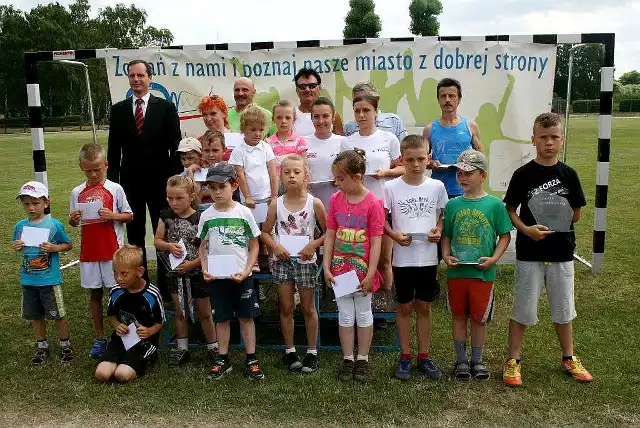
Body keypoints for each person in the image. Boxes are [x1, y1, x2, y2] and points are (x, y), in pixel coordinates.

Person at [503, 112, 592, 386]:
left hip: (561, 252)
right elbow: (510, 209)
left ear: (561, 140)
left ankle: (569, 357)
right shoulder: (523, 174)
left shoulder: (569, 175)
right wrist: (527, 229)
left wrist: (556, 214)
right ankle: (513, 360)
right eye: (543, 137)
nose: (549, 143)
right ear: (534, 140)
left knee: (564, 309)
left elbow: (576, 214)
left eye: (554, 137)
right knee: (523, 309)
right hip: (530, 253)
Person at [106, 59, 182, 294]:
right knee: (135, 235)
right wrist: (114, 184)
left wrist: (171, 181)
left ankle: (167, 285)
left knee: (163, 233)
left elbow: (175, 147)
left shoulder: (165, 108)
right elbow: (113, 150)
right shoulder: (118, 110)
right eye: (132, 76)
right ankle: (141, 284)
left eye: (140, 75)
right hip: (130, 184)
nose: (136, 80)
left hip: (160, 183)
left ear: (150, 78)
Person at [442, 150, 512, 381]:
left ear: (483, 176)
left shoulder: (494, 205)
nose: (462, 177)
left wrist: (494, 259)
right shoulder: (452, 205)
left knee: (479, 318)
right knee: (459, 316)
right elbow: (447, 236)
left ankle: (477, 360)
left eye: (469, 173)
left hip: (483, 274)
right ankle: (461, 360)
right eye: (460, 173)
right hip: (457, 272)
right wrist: (445, 255)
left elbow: (504, 235)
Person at [383, 135, 448, 380]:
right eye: (410, 159)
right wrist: (394, 235)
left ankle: (424, 355)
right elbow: (383, 221)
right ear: (401, 159)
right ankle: (405, 355)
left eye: (421, 159)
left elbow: (442, 215)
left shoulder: (437, 187)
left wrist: (439, 230)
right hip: (402, 259)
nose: (416, 164)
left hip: (428, 258)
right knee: (404, 307)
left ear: (428, 159)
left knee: (423, 306)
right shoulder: (391, 187)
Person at [324, 149, 385, 383]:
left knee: (364, 314)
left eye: (341, 178)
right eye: (336, 178)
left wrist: (371, 274)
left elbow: (377, 240)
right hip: (340, 270)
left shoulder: (373, 203)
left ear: (357, 176)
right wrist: (327, 266)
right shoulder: (335, 200)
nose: (336, 183)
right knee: (345, 316)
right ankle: (348, 358)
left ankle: (363, 358)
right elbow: (330, 234)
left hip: (362, 273)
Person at [198, 162, 264, 380]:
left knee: (246, 317)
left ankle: (251, 358)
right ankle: (223, 358)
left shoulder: (244, 213)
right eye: (212, 187)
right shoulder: (206, 216)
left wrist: (247, 270)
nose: (216, 192)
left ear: (234, 185)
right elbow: (202, 246)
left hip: (241, 276)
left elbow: (254, 244)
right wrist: (205, 269)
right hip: (218, 278)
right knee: (222, 319)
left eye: (221, 187)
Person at [261, 155, 326, 373]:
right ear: (280, 176)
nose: (292, 176)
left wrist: (313, 245)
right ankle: (289, 350)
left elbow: (329, 233)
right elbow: (265, 233)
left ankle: (311, 351)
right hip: (283, 262)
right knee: (286, 307)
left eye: (297, 172)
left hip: (306, 261)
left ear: (306, 175)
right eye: (287, 172)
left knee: (308, 307)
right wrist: (276, 246)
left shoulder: (314, 203)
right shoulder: (276, 204)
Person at [69, 143, 133, 360]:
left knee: (118, 294)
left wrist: (113, 216)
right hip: (89, 253)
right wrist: (73, 220)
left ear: (105, 165)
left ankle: (125, 334)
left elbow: (129, 215)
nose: (94, 174)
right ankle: (99, 337)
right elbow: (75, 222)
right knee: (94, 294)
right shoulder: (76, 192)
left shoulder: (115, 189)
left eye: (98, 169)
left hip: (112, 253)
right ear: (81, 167)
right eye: (89, 170)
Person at [340, 93, 403, 290]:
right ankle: (356, 299)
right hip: (355, 208)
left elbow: (402, 169)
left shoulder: (389, 138)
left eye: (366, 110)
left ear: (376, 112)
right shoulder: (347, 142)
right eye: (357, 111)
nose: (361, 115)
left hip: (382, 207)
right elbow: (342, 174)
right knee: (357, 258)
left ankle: (385, 304)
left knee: (384, 259)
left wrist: (386, 172)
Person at [154, 175, 218, 367]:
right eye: (170, 198)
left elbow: (209, 248)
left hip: (197, 272)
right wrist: (168, 246)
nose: (174, 202)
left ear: (191, 196)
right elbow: (157, 240)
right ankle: (182, 347)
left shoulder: (201, 217)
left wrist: (194, 264)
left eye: (179, 198)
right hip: (175, 274)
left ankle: (213, 346)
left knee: (205, 312)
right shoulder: (165, 215)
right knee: (180, 312)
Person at [13, 181, 73, 365]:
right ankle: (42, 346)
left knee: (57, 314)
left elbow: (68, 244)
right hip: (29, 279)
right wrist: (17, 246)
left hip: (49, 279)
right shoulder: (21, 226)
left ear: (46, 203)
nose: (31, 207)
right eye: (26, 204)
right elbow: (17, 245)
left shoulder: (53, 225)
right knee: (35, 315)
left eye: (35, 203)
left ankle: (65, 344)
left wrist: (54, 247)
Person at [95, 245, 165, 383]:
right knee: (101, 374)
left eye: (124, 273)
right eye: (115, 273)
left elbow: (161, 323)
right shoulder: (116, 291)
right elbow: (111, 316)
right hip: (120, 340)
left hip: (143, 344)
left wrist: (149, 331)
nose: (118, 278)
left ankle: (146, 359)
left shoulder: (152, 294)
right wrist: (117, 325)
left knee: (122, 375)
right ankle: (120, 360)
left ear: (139, 271)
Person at [423, 78, 483, 199]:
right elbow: (422, 160)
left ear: (459, 99)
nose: (447, 100)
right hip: (438, 190)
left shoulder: (470, 126)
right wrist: (431, 163)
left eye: (451, 96)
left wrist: (469, 164)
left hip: (465, 190)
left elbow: (480, 158)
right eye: (443, 96)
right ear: (438, 100)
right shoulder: (429, 129)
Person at [229, 105, 278, 209]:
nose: (258, 134)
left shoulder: (266, 147)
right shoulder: (238, 151)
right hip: (249, 200)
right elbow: (240, 175)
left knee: (268, 224)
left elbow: (273, 173)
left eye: (261, 130)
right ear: (243, 129)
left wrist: (274, 196)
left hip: (267, 197)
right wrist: (248, 197)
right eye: (253, 130)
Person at [306, 97, 344, 210]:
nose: (321, 121)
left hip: (339, 205)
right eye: (316, 116)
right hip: (310, 207)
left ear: (333, 118)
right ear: (311, 118)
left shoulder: (344, 142)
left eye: (325, 116)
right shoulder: (302, 143)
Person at [293, 68, 344, 136]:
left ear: (319, 88)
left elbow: (340, 142)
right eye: (302, 87)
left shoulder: (333, 115)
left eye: (312, 86)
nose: (307, 90)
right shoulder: (291, 116)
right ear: (297, 90)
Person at [266, 100, 308, 173]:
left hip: (295, 183)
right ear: (273, 119)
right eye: (279, 117)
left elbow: (305, 167)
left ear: (294, 119)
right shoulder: (267, 143)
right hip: (275, 183)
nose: (283, 121)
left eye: (288, 118)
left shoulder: (300, 141)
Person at [197, 95, 234, 161]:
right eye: (205, 114)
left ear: (224, 113)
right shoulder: (199, 142)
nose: (208, 119)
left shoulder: (237, 138)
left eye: (213, 114)